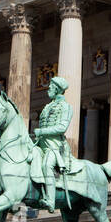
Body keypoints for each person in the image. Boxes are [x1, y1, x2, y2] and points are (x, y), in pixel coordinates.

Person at [31, 75, 73, 212]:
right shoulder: (48, 106)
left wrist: (41, 131)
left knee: (46, 165)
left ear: (57, 89)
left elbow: (62, 128)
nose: (48, 88)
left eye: (51, 86)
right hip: (41, 143)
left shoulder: (66, 107)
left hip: (55, 146)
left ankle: (50, 200)